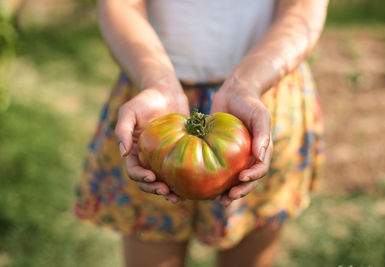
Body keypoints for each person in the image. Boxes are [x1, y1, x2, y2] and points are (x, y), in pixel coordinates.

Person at [75, 0, 328, 266]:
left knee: (249, 242)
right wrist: (158, 82)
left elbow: (302, 9)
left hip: (258, 97)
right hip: (155, 98)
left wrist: (247, 84)